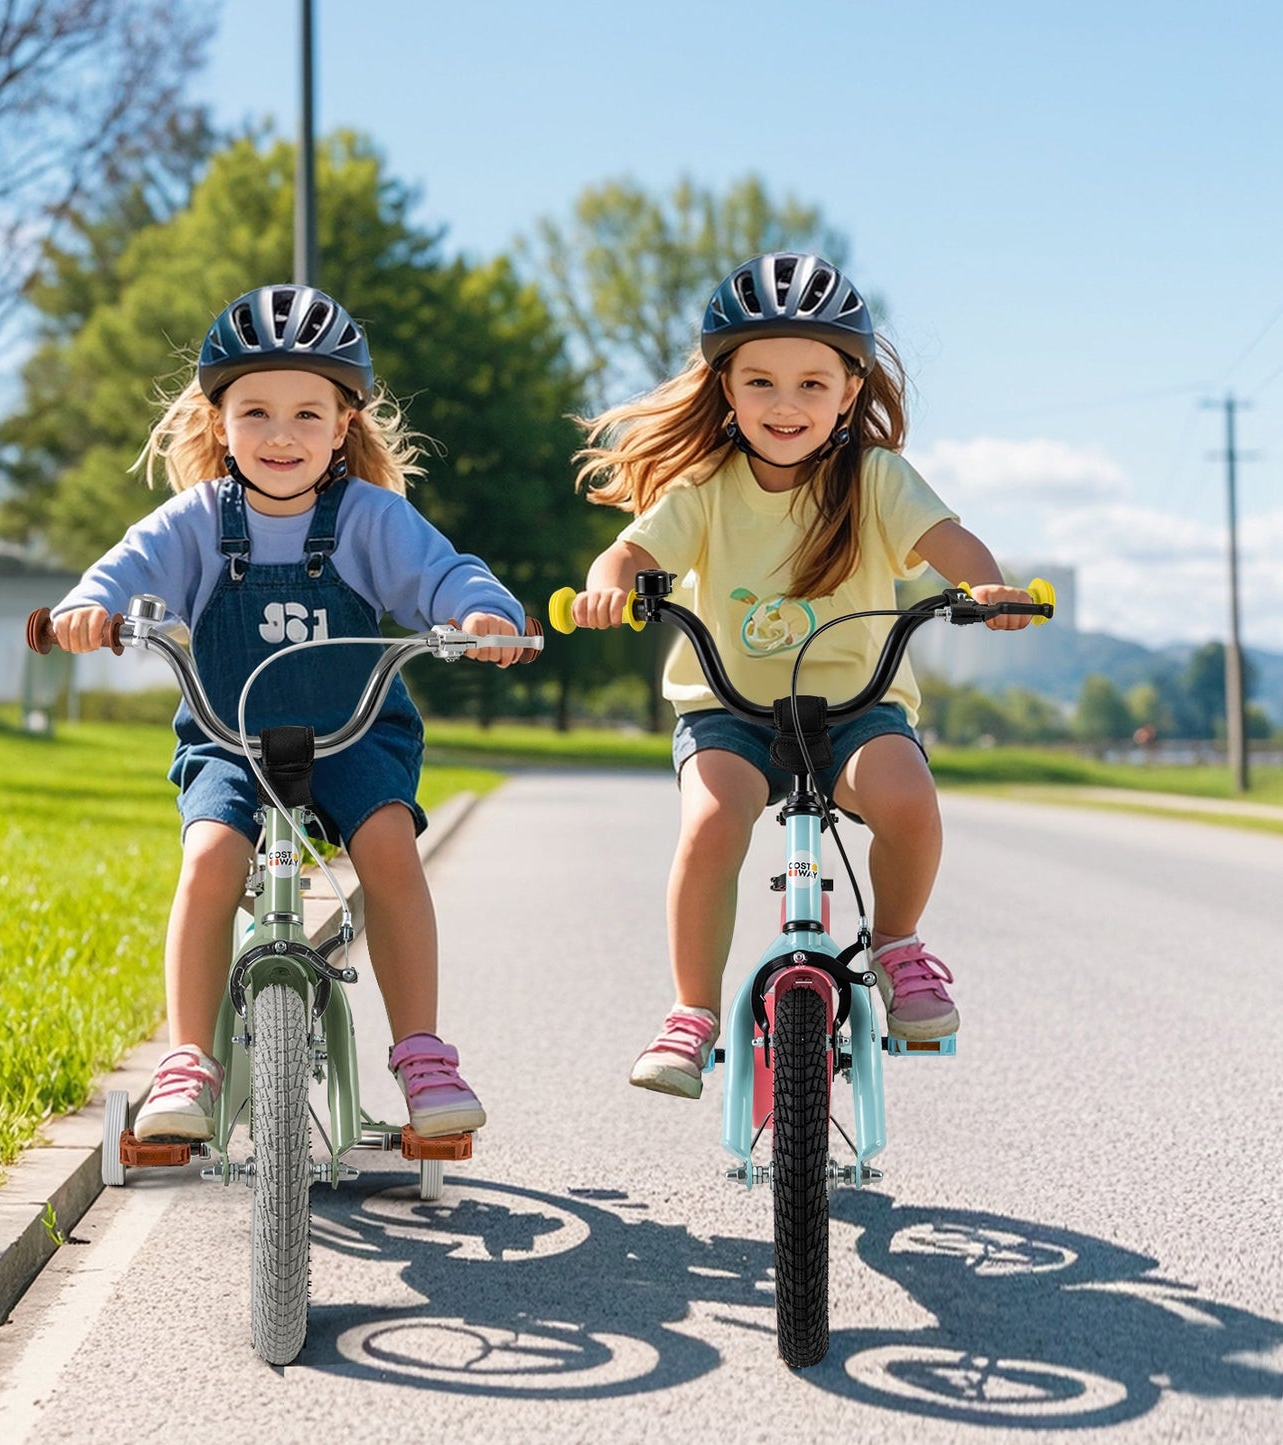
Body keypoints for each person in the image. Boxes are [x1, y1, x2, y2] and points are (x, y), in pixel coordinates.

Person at [51, 283, 525, 1140]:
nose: (280, 435)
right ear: (219, 419)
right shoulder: (196, 521)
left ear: (343, 423)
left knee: (388, 849)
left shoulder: (369, 518)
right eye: (256, 411)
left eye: (307, 414)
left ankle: (421, 1053)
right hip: (230, 737)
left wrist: (481, 613)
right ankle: (188, 1057)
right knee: (207, 860)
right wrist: (91, 606)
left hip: (352, 731)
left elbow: (445, 573)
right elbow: (124, 567)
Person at [566, 252, 1034, 1098]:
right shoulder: (704, 486)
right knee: (711, 824)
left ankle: (895, 943)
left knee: (908, 799)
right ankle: (690, 1013)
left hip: (856, 709)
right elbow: (629, 552)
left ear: (850, 390)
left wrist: (984, 586)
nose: (787, 406)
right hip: (729, 711)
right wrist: (609, 589)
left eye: (813, 385)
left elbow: (954, 547)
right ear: (726, 389)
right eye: (762, 384)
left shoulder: (875, 479)